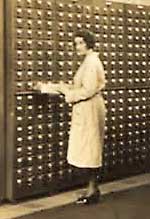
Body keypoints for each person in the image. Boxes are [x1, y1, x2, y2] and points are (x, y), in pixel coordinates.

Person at [34, 29, 106, 205]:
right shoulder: (88, 62)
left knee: (90, 150)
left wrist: (68, 94)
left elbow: (87, 90)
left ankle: (92, 191)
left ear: (89, 43)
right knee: (88, 150)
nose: (77, 47)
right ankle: (92, 189)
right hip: (86, 108)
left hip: (89, 109)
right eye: (76, 44)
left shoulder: (91, 63)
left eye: (80, 43)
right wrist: (49, 88)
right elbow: (76, 87)